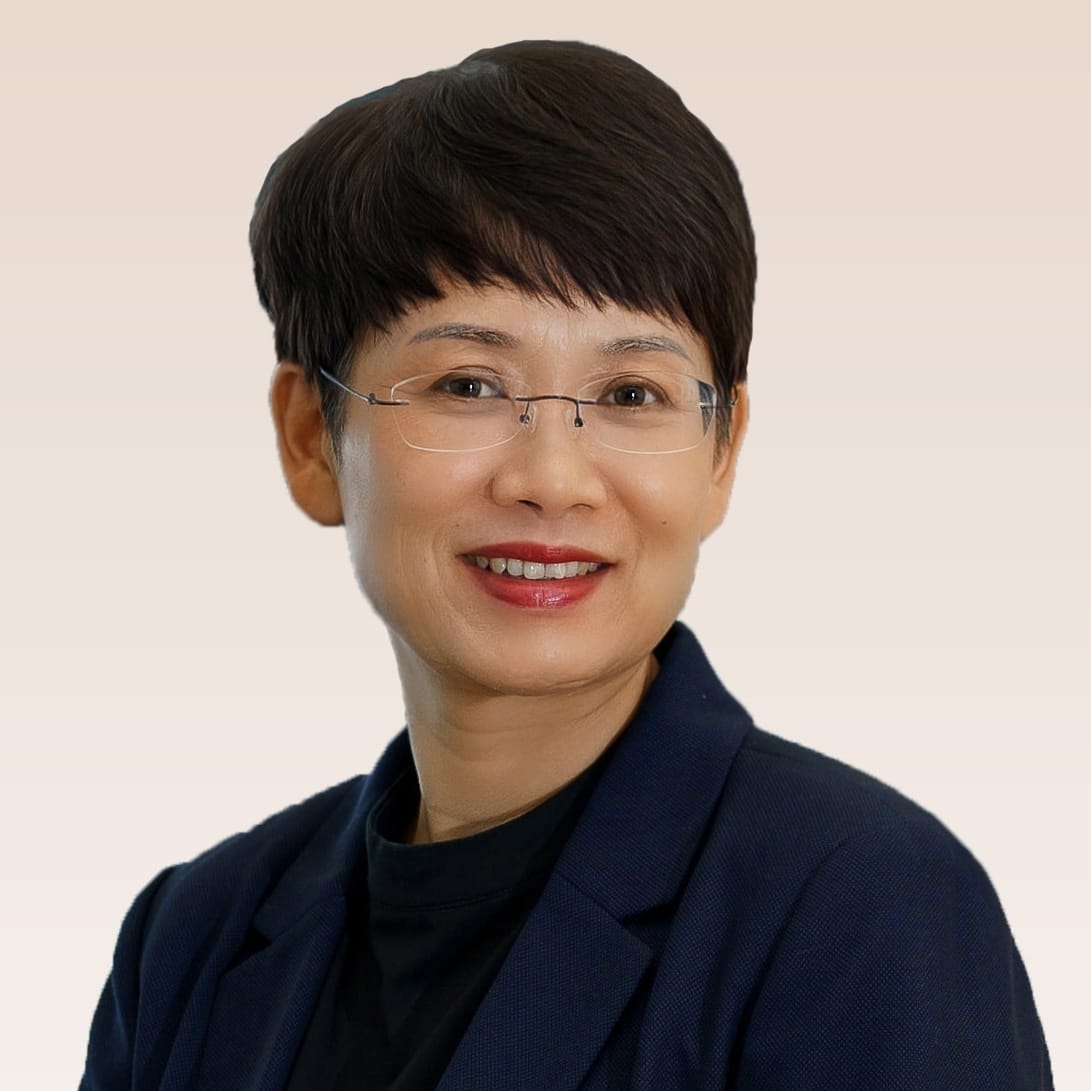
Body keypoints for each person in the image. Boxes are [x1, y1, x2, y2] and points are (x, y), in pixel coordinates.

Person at [80, 40, 1052, 1090]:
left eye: (631, 394)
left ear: (721, 452)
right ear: (311, 436)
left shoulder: (861, 905)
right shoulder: (190, 940)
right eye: (467, 384)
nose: (552, 478)